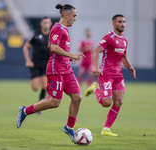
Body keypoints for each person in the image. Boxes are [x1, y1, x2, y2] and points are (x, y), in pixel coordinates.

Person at [16, 4, 85, 143]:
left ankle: (69, 127)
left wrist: (67, 57)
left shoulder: (63, 29)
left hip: (66, 69)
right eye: (74, 16)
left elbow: (49, 45)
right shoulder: (58, 28)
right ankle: (25, 111)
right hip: (56, 70)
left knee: (77, 97)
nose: (75, 19)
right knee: (54, 103)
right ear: (66, 15)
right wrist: (71, 55)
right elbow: (53, 47)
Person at [85, 14, 136, 136]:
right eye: (119, 22)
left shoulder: (124, 40)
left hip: (118, 75)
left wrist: (130, 67)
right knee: (106, 103)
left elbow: (124, 57)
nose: (122, 24)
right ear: (113, 24)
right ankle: (95, 89)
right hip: (106, 74)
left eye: (123, 22)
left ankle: (106, 129)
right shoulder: (109, 37)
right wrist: (96, 67)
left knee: (118, 101)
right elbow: (96, 51)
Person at [23, 17, 52, 114]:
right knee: (35, 88)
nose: (46, 24)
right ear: (41, 24)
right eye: (44, 23)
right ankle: (40, 79)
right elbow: (25, 48)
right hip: (35, 63)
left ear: (50, 23)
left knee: (44, 85)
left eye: (48, 23)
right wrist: (28, 61)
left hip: (46, 64)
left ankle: (39, 105)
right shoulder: (35, 34)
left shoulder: (52, 36)